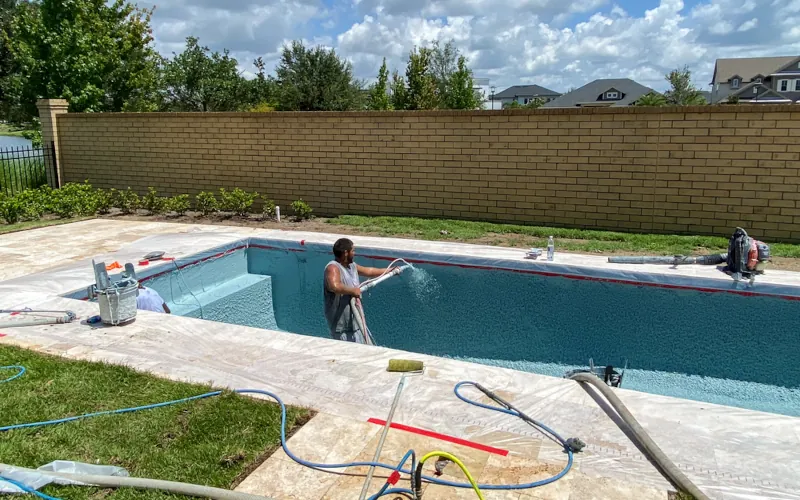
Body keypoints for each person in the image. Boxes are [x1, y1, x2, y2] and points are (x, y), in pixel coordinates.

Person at [324, 238, 396, 344]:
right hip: (341, 327)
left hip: (355, 323)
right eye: (353, 251)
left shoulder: (352, 266)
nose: (354, 253)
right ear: (345, 253)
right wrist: (353, 291)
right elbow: (334, 286)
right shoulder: (333, 268)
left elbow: (368, 271)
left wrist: (389, 270)